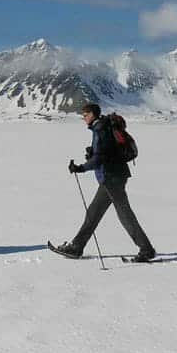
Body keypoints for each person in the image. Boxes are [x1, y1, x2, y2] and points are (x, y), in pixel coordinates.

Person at [52, 103, 156, 262]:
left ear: (93, 114)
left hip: (112, 178)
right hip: (112, 177)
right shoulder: (103, 127)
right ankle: (77, 246)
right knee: (94, 213)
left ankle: (146, 249)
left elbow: (101, 158)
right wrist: (93, 154)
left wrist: (81, 167)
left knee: (124, 215)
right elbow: (105, 153)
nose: (83, 118)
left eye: (85, 115)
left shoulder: (100, 129)